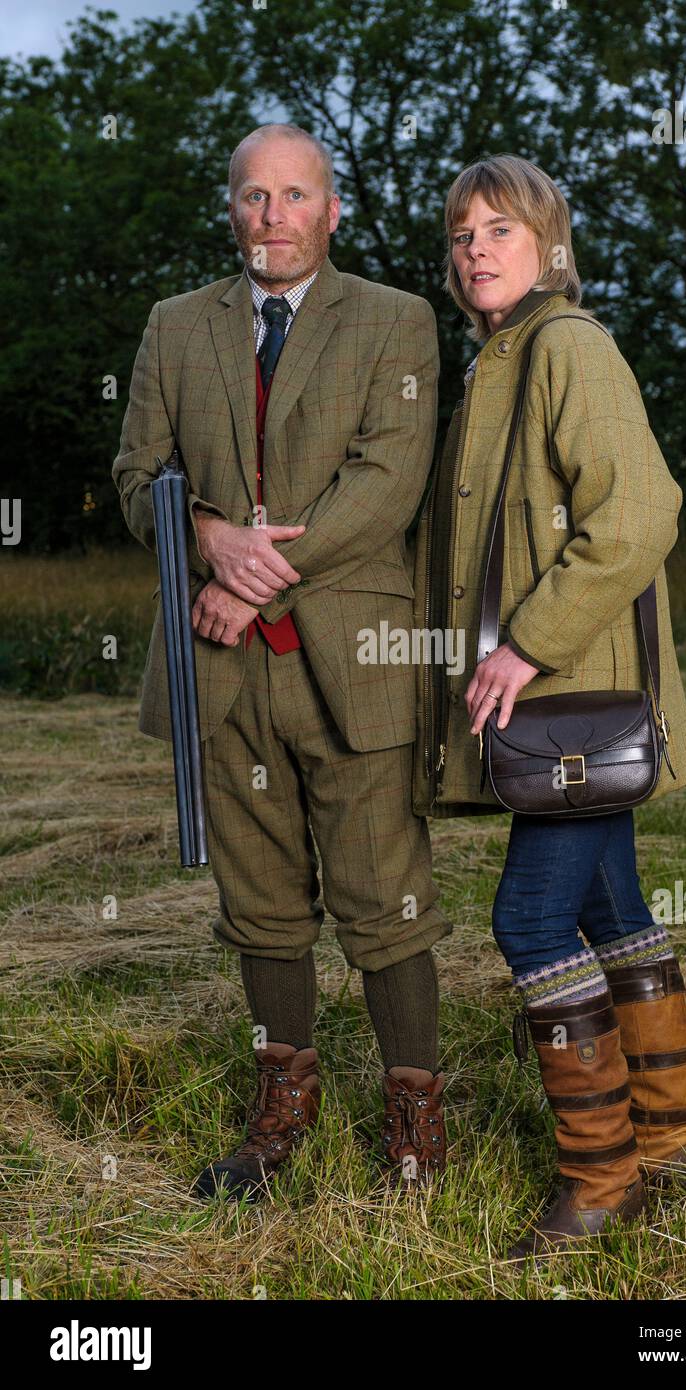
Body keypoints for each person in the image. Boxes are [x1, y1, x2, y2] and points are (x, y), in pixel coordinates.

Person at [112, 123, 451, 1200]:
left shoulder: (397, 322)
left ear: (332, 209)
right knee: (259, 903)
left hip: (352, 660)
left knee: (382, 896)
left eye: (295, 195)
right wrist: (208, 536)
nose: (273, 216)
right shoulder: (174, 328)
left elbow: (385, 488)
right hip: (221, 672)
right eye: (254, 196)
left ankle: (412, 1119)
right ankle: (280, 1112)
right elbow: (137, 476)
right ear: (231, 208)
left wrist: (248, 574)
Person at [412, 154, 686, 1260]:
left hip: (570, 693)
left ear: (549, 244)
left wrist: (524, 646)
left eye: (500, 228)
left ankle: (599, 1175)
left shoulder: (567, 346)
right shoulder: (496, 360)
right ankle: (669, 1139)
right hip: (561, 702)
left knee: (529, 920)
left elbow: (637, 515)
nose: (475, 248)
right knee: (609, 905)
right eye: (459, 234)